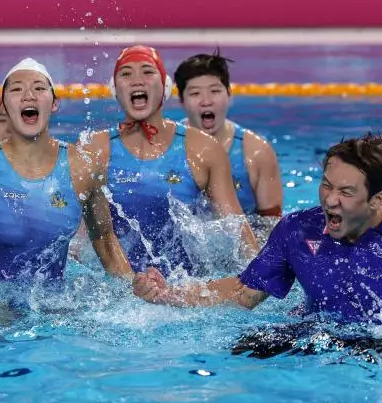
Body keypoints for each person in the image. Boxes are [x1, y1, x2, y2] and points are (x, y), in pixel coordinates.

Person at [0, 58, 144, 308]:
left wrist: (132, 290)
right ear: (4, 105)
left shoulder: (83, 166)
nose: (28, 95)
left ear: (54, 103)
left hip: (60, 306)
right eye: (17, 89)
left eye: (39, 88)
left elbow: (104, 239)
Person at [133, 134, 382, 325]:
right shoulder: (299, 230)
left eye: (346, 192)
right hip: (314, 333)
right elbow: (243, 293)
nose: (330, 200)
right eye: (326, 185)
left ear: (376, 200)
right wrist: (168, 294)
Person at [79, 45, 259, 278]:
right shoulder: (93, 149)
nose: (137, 81)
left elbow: (237, 233)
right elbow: (80, 238)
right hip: (119, 285)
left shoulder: (202, 149)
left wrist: (262, 278)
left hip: (185, 285)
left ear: (164, 86)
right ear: (115, 89)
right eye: (126, 74)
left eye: (147, 72)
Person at [174, 51, 283, 219]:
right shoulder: (168, 145)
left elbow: (272, 225)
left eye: (215, 91)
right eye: (195, 93)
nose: (206, 101)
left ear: (229, 94)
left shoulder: (257, 153)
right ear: (181, 100)